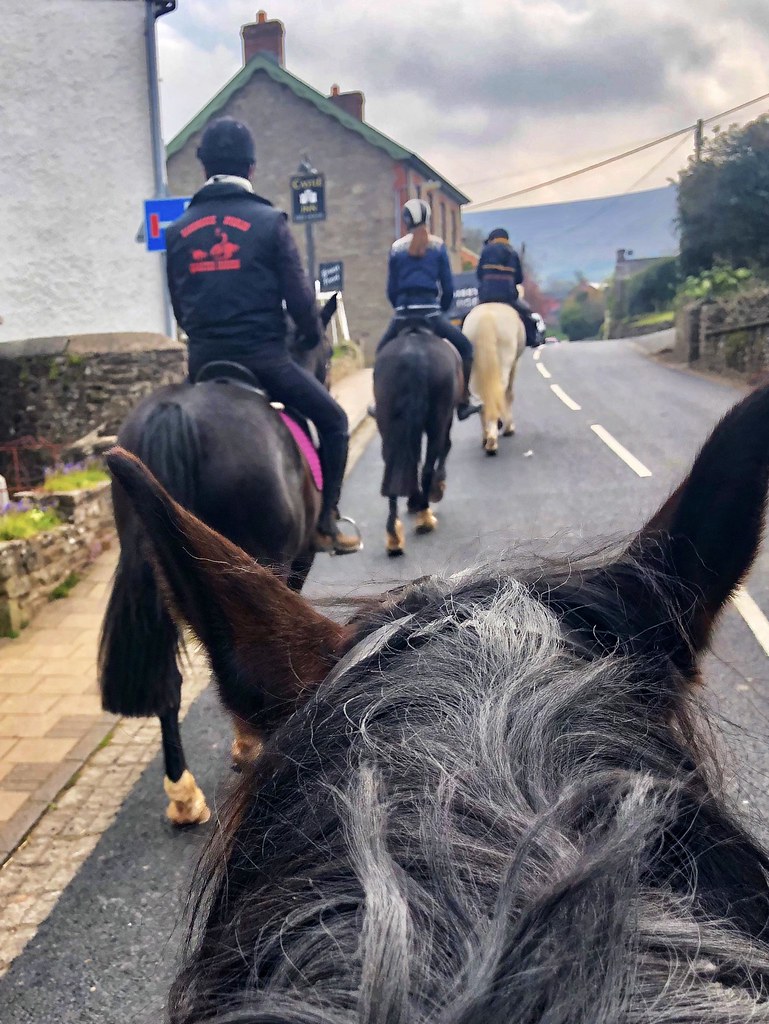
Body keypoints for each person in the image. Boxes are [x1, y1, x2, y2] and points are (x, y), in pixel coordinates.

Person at [164, 117, 361, 554]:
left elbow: (180, 307)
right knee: (334, 422)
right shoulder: (270, 222)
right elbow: (299, 300)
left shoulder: (176, 231)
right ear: (251, 168)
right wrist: (310, 333)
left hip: (203, 365)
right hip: (264, 360)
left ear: (203, 168)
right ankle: (326, 522)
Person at [376, 199, 482, 421]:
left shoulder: (396, 249)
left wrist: (401, 309)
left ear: (405, 221)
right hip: (431, 315)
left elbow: (391, 289)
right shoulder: (438, 246)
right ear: (427, 218)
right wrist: (439, 311)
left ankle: (378, 404)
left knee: (380, 353)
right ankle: (464, 400)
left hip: (404, 314)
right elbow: (448, 288)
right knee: (466, 349)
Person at [476, 228, 540, 347]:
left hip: (486, 296)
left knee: (468, 317)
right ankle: (533, 338)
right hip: (508, 296)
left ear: (492, 239)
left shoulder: (485, 251)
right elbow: (519, 279)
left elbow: (479, 275)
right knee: (527, 315)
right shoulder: (513, 253)